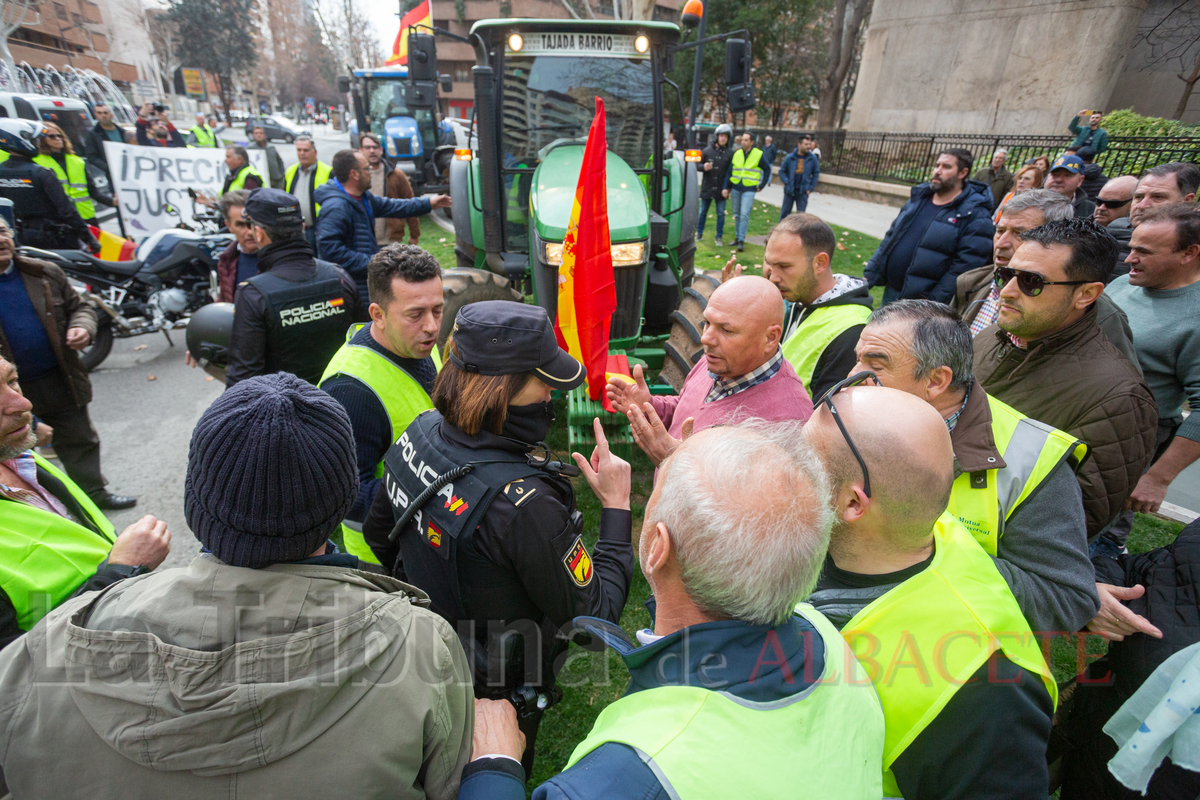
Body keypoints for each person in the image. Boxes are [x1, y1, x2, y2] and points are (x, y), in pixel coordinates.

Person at [0, 373, 474, 798]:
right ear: (338, 502)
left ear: (197, 500)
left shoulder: (47, 644)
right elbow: (446, 783)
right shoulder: (420, 644)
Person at [461, 421, 886, 800]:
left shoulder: (625, 777)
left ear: (657, 547)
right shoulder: (826, 636)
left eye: (656, 493)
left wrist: (493, 768)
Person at [362, 301, 635, 775]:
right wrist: (616, 508)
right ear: (501, 390)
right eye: (543, 380)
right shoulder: (526, 507)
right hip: (498, 702)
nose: (552, 391)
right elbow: (596, 623)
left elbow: (379, 535)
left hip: (423, 659)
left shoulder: (418, 431)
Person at [805, 383, 1058, 800]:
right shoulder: (920, 528)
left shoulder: (988, 693)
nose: (782, 472)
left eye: (802, 464)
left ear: (853, 504)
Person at [852, 300, 1098, 635]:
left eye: (875, 366)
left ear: (936, 381)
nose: (852, 378)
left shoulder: (1033, 460)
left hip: (940, 654)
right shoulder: (849, 412)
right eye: (857, 360)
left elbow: (1063, 601)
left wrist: (920, 555)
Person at [973, 218, 1158, 545]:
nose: (1007, 291)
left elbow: (1066, 526)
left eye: (1032, 282)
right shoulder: (990, 338)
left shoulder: (1121, 400)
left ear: (1086, 294)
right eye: (1005, 275)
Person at [0, 354, 170, 651]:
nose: (23, 404)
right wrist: (123, 569)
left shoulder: (18, 457)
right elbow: (15, 669)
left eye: (12, 381)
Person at [319, 244, 442, 565]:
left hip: (432, 540)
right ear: (378, 315)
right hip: (385, 560)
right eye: (415, 314)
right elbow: (343, 493)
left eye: (438, 310)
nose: (431, 326)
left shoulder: (417, 343)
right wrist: (441, 493)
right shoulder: (351, 390)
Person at [607, 275, 814, 467]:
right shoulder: (717, 361)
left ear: (770, 338)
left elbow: (758, 505)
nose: (706, 339)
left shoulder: (790, 424)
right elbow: (685, 407)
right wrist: (649, 405)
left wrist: (675, 464)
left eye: (726, 330)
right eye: (707, 323)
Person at [0, 219, 134, 510]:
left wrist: (84, 328)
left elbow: (81, 306)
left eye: (1, 232)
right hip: (8, 393)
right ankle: (37, 509)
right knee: (18, 452)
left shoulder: (44, 271)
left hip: (59, 377)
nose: (0, 241)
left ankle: (94, 499)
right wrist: (33, 421)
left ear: (12, 235)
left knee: (80, 440)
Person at [1103, 203, 1200, 579]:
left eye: (1144, 251)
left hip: (1131, 442)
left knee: (1095, 535)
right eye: (1132, 247)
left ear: (1189, 253)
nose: (1130, 258)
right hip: (1080, 426)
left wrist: (1157, 478)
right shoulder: (1124, 283)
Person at [953, 189, 1133, 355]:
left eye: (1019, 233)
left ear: (1053, 236)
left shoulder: (1099, 314)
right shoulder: (971, 282)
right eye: (1000, 231)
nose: (1001, 243)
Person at [225, 188, 367, 387]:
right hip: (342, 405)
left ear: (258, 233)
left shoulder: (253, 294)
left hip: (287, 413)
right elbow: (366, 345)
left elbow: (242, 383)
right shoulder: (339, 276)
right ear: (301, 226)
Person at [754, 212, 873, 398]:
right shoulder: (793, 299)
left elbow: (830, 418)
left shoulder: (853, 330)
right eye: (769, 263)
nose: (773, 277)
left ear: (820, 263)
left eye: (784, 266)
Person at [864, 148, 995, 304]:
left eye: (946, 167)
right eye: (937, 165)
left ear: (962, 173)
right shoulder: (919, 198)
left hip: (922, 304)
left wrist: (933, 301)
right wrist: (870, 274)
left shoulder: (975, 214)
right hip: (892, 291)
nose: (938, 171)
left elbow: (965, 267)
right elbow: (891, 238)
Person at [315, 149, 449, 299]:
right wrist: (374, 262)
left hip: (365, 281)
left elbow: (393, 206)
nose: (370, 172)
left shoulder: (363, 198)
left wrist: (428, 203)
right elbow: (330, 252)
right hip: (352, 287)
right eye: (366, 169)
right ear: (354, 174)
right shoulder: (336, 207)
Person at [0, 120, 97, 251]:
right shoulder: (41, 173)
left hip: (20, 239)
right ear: (23, 139)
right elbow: (66, 210)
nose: (38, 144)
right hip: (53, 239)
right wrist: (89, 238)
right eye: (35, 140)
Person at [34, 121, 113, 223]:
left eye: (59, 135)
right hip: (62, 220)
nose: (58, 139)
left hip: (86, 216)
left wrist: (112, 202)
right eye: (52, 136)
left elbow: (92, 191)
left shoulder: (77, 161)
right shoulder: (37, 162)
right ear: (42, 140)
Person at [360, 132, 421, 246]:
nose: (372, 151)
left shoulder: (395, 175)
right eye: (368, 147)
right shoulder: (356, 176)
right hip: (366, 241)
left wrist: (414, 235)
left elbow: (410, 204)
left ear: (381, 150)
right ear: (361, 150)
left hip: (391, 240)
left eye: (375, 147)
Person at [285, 135, 332, 251]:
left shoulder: (327, 171)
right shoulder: (290, 171)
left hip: (318, 229)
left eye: (305, 150)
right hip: (296, 230)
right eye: (299, 150)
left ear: (315, 152)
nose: (302, 153)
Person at [723, 132, 766, 252]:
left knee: (744, 214)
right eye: (742, 140)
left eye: (746, 140)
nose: (743, 142)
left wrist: (762, 185)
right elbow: (729, 171)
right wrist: (726, 187)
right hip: (736, 188)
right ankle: (737, 237)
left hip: (749, 189)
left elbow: (767, 169)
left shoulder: (758, 154)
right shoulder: (737, 154)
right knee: (737, 214)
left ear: (752, 142)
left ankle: (741, 240)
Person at [214, 189, 257, 302]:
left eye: (253, 223)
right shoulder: (226, 260)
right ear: (229, 226)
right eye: (241, 225)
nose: (250, 232)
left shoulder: (279, 259)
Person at [1129, 162, 1200, 229]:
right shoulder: (1119, 227)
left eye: (1158, 197)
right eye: (1138, 197)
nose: (1142, 206)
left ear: (1187, 201)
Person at [696, 123, 734, 245]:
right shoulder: (707, 151)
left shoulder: (730, 153)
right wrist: (703, 167)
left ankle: (719, 237)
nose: (723, 138)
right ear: (717, 136)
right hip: (707, 187)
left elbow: (731, 172)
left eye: (726, 136)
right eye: (721, 135)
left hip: (721, 189)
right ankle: (699, 233)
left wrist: (728, 188)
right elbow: (696, 165)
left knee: (720, 213)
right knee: (703, 212)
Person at [1096, 174, 1139, 272]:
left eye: (1112, 204)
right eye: (1098, 201)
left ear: (1132, 204)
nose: (1101, 208)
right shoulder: (1080, 226)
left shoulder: (1134, 240)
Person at [81, 102, 130, 186]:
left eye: (105, 113)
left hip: (129, 172)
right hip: (113, 177)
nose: (103, 115)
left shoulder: (122, 132)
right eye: (99, 113)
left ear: (111, 115)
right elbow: (91, 156)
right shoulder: (93, 134)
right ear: (96, 115)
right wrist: (109, 168)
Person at [778, 134, 820, 218]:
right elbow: (782, 171)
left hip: (803, 191)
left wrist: (810, 188)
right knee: (785, 214)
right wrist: (786, 182)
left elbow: (816, 173)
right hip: (790, 190)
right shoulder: (790, 157)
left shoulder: (812, 158)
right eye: (806, 144)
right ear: (799, 145)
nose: (808, 146)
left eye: (809, 144)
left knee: (800, 217)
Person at [1045, 154, 1097, 219]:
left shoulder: (1090, 211)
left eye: (1067, 175)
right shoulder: (1030, 202)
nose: (1059, 180)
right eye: (1055, 175)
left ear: (1080, 180)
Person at [249, 124, 286, 190]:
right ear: (253, 135)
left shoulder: (271, 148)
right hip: (261, 181)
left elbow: (279, 161)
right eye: (256, 133)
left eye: (260, 133)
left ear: (265, 135)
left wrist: (281, 175)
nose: (259, 135)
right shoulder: (251, 149)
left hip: (276, 180)